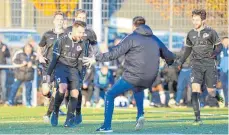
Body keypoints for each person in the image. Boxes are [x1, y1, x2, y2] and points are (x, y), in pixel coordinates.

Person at [82, 16, 175, 132]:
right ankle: (140, 114)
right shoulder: (155, 38)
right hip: (151, 77)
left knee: (110, 94)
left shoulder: (131, 37)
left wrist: (96, 58)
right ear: (144, 24)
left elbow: (114, 53)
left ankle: (106, 126)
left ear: (133, 26)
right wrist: (170, 62)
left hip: (133, 75)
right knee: (138, 88)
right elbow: (170, 56)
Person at [174, 9, 224, 125]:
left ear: (203, 20)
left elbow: (219, 46)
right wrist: (181, 61)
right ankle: (197, 118)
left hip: (209, 64)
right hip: (195, 64)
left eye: (197, 20)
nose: (194, 22)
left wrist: (214, 53)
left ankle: (220, 98)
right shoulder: (190, 33)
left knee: (211, 91)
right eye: (193, 20)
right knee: (195, 89)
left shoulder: (211, 32)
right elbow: (187, 49)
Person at [47, 20, 92, 127]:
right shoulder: (61, 40)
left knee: (75, 92)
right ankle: (55, 112)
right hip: (61, 67)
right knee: (62, 88)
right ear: (74, 30)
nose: (82, 35)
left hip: (74, 69)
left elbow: (81, 64)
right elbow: (54, 59)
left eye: (83, 33)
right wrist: (48, 74)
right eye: (80, 32)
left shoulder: (83, 44)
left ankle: (69, 118)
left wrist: (81, 78)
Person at [65, 9, 98, 125]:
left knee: (75, 90)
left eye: (84, 18)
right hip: (67, 64)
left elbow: (95, 48)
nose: (82, 20)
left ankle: (76, 113)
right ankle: (71, 113)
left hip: (81, 65)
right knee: (66, 90)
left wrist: (92, 59)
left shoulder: (90, 33)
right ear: (75, 18)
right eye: (80, 18)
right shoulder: (68, 30)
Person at [37, 11, 66, 122]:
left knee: (56, 90)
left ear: (63, 22)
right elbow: (40, 47)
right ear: (54, 21)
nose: (59, 22)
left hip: (60, 67)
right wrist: (39, 56)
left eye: (61, 20)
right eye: (57, 19)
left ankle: (48, 114)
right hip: (48, 67)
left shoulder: (66, 35)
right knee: (45, 91)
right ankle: (54, 100)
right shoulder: (47, 34)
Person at [0, 36, 10, 102]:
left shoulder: (4, 46)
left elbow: (8, 55)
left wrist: (4, 51)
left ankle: (3, 100)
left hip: (3, 67)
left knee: (3, 85)